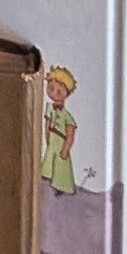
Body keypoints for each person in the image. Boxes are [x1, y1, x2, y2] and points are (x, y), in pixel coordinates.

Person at [41, 66, 79, 195]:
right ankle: (46, 179)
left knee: (61, 165)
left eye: (59, 90)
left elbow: (70, 133)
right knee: (49, 160)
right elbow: (47, 124)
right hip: (52, 139)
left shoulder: (67, 115)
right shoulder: (49, 108)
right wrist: (47, 136)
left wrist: (66, 148)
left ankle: (61, 188)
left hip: (61, 141)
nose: (55, 92)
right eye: (51, 88)